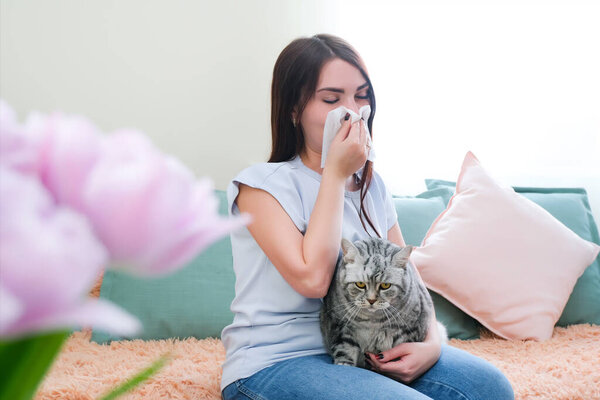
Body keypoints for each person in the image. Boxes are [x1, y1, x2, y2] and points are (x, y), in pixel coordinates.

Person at [220, 33, 514, 400]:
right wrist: (335, 174)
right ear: (294, 109)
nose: (352, 110)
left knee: (490, 387)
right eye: (331, 98)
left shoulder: (373, 187)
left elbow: (412, 283)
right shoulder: (259, 187)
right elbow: (312, 279)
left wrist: (432, 345)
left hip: (367, 351)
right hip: (277, 362)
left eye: (361, 96)